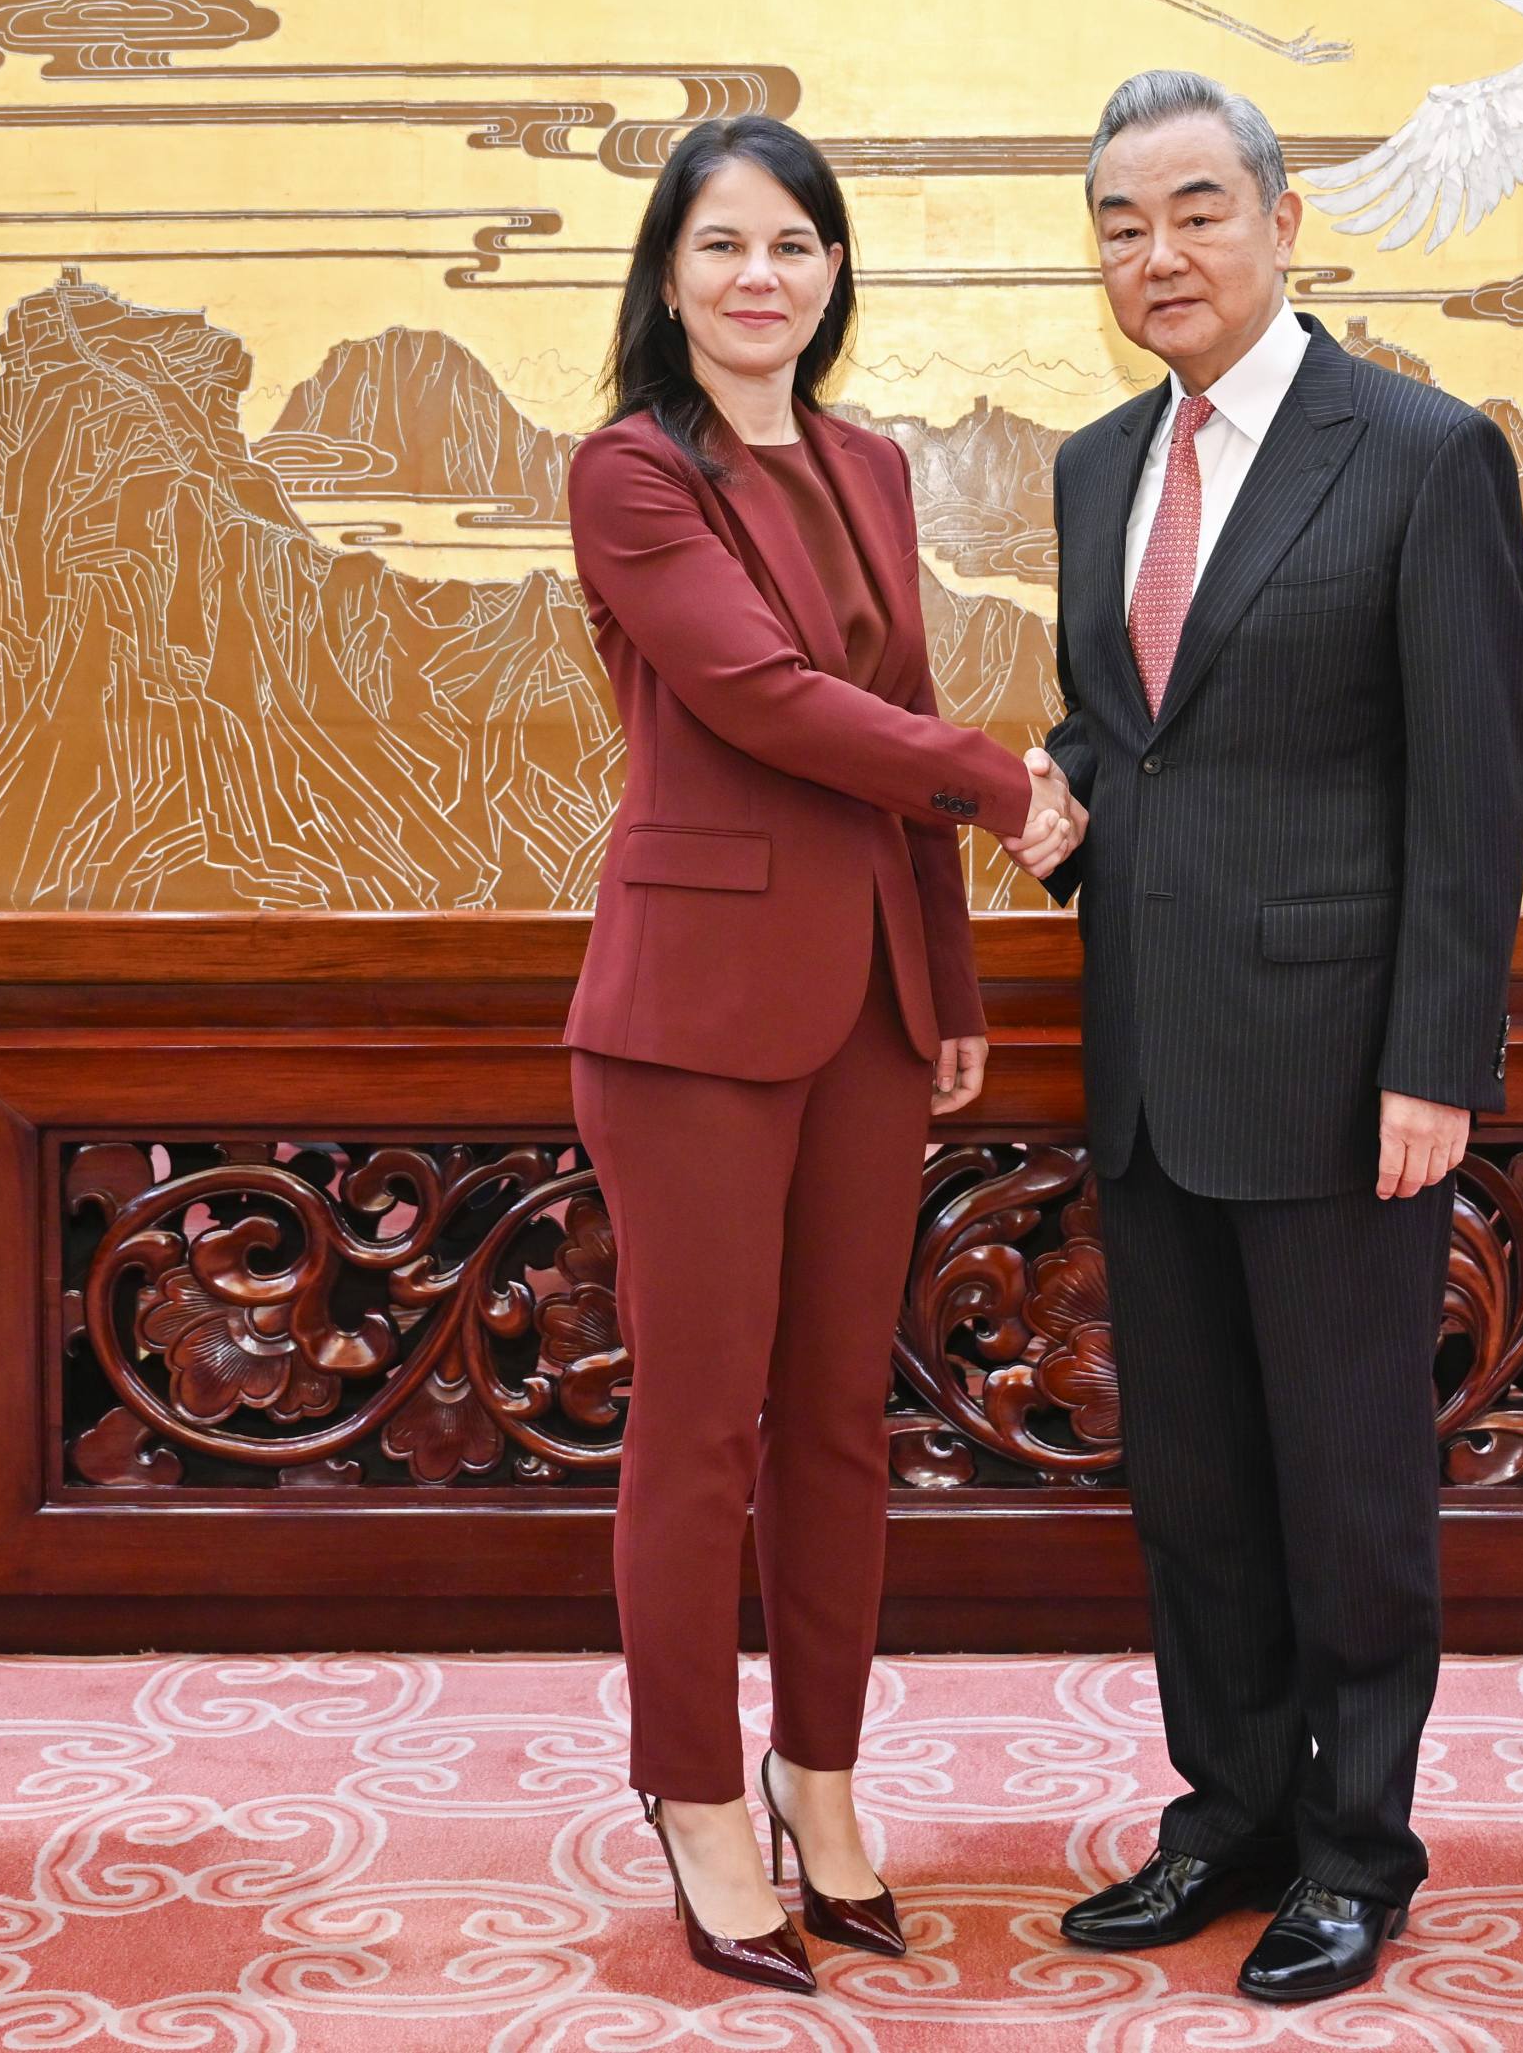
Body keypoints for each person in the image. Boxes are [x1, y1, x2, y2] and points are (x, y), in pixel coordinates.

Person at [564, 113, 1086, 1994]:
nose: (760, 276)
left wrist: (948, 984)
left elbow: (900, 717)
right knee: (699, 1434)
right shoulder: (630, 472)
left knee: (844, 1427)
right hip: (692, 1019)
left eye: (793, 243)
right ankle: (699, 1799)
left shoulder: (868, 463)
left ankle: (825, 1778)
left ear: (836, 270)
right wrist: (1013, 785)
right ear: (669, 274)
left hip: (868, 1005)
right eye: (721, 247)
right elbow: (766, 700)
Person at [1037, 68, 1523, 2006]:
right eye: (1116, 224)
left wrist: (1436, 1055)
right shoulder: (1096, 466)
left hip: (1344, 1074)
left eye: (1189, 210)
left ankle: (1353, 1845)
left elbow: (1467, 784)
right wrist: (1056, 786)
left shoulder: (1413, 451)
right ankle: (1226, 1810)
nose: (1153, 254)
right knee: (1195, 1487)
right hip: (1152, 1060)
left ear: (1277, 217)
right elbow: (1136, 730)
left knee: (1342, 1488)